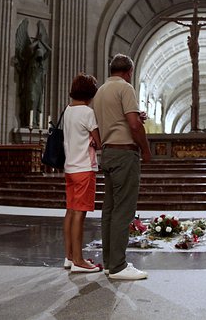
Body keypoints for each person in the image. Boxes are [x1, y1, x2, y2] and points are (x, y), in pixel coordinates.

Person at [93, 54, 152, 280]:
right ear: (129, 71)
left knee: (109, 210)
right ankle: (118, 266)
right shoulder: (126, 88)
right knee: (123, 210)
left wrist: (136, 116)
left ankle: (109, 262)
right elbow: (134, 125)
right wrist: (146, 151)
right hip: (125, 153)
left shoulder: (100, 92)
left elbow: (114, 119)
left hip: (108, 153)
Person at [62, 73, 102, 273]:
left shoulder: (68, 110)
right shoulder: (87, 112)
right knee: (80, 213)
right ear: (90, 92)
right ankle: (79, 260)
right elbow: (99, 140)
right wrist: (96, 141)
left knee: (70, 211)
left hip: (69, 168)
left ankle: (69, 257)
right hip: (84, 168)